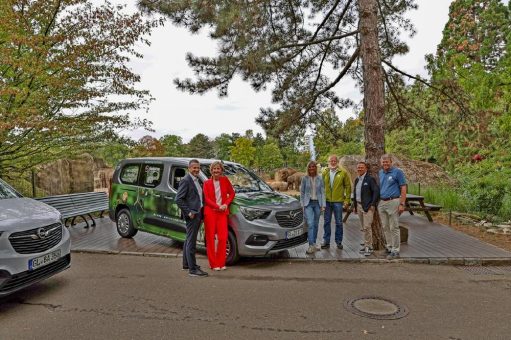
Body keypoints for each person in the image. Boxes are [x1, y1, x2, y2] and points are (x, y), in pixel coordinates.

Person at [175, 159, 208, 277]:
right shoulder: (186, 180)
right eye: (194, 168)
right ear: (189, 168)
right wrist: (189, 212)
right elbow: (178, 199)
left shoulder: (196, 180)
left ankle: (186, 264)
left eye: (198, 168)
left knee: (188, 239)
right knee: (191, 242)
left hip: (197, 213)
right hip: (192, 215)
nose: (196, 170)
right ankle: (193, 269)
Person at [203, 161, 235, 271]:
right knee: (210, 239)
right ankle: (213, 264)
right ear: (211, 171)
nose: (216, 171)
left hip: (222, 213)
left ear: (221, 170)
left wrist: (226, 203)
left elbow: (232, 193)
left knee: (222, 238)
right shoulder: (206, 183)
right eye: (214, 169)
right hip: (210, 212)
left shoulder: (225, 180)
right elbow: (206, 199)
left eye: (218, 169)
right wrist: (217, 206)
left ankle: (221, 263)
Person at [378, 154, 407, 259]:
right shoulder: (380, 173)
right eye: (383, 162)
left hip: (393, 201)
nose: (385, 163)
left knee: (393, 227)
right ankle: (389, 247)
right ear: (381, 163)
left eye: (387, 162)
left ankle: (396, 250)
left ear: (391, 162)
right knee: (385, 227)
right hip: (382, 202)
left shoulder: (397, 172)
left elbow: (403, 188)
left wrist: (402, 204)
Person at [321, 155, 352, 249]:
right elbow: (321, 187)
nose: (333, 162)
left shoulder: (343, 172)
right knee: (326, 222)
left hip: (338, 202)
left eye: (334, 161)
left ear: (337, 162)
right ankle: (326, 242)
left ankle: (338, 242)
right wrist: (321, 201)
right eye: (331, 161)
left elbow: (348, 187)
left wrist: (347, 200)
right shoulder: (325, 172)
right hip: (326, 202)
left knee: (339, 222)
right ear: (328, 162)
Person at [352, 161, 380, 256]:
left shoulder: (370, 179)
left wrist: (372, 205)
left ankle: (368, 247)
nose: (359, 169)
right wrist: (355, 206)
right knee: (363, 227)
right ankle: (367, 244)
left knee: (367, 226)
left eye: (361, 167)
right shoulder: (357, 180)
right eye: (358, 167)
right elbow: (356, 194)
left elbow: (376, 192)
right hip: (359, 206)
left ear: (366, 169)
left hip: (368, 207)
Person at [300, 160, 326, 254]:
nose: (311, 168)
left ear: (316, 168)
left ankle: (314, 243)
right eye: (310, 167)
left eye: (313, 166)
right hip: (308, 204)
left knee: (315, 224)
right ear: (308, 168)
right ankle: (311, 245)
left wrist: (323, 205)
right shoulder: (304, 178)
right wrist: (302, 204)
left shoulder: (320, 178)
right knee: (310, 224)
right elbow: (302, 193)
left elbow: (322, 192)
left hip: (318, 204)